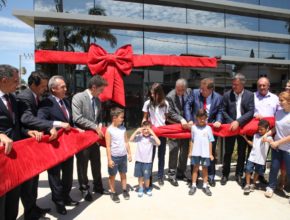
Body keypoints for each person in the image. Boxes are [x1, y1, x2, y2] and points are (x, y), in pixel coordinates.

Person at [0, 65, 41, 220]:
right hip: (1, 162)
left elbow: (15, 125)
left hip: (15, 157)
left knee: (13, 201)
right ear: (4, 80)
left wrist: (27, 132)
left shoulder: (12, 97)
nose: (18, 84)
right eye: (15, 81)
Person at [17, 70, 57, 220]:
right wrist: (50, 125)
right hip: (24, 146)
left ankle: (34, 207)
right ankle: (29, 213)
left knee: (34, 181)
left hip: (34, 144)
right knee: (27, 183)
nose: (45, 89)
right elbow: (26, 118)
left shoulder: (37, 96)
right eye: (43, 86)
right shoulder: (24, 97)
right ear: (33, 85)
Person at [37, 76, 79, 215]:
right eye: (62, 87)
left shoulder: (66, 102)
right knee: (55, 175)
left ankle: (66, 197)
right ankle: (58, 202)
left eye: (65, 86)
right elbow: (41, 120)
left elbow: (70, 122)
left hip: (68, 146)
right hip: (54, 146)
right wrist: (56, 125)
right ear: (53, 89)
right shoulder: (46, 103)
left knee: (68, 174)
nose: (66, 89)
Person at [72, 75, 108, 201]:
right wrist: (95, 126)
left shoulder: (98, 100)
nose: (102, 92)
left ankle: (98, 186)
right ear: (93, 87)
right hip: (82, 137)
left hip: (94, 138)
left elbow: (98, 117)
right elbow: (77, 118)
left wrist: (100, 125)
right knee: (83, 164)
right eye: (101, 90)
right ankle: (84, 188)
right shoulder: (78, 97)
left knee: (96, 162)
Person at [184, 78, 223, 187]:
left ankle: (210, 177)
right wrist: (189, 119)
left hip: (209, 129)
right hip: (196, 128)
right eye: (201, 88)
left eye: (204, 89)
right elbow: (187, 105)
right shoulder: (195, 93)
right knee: (195, 152)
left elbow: (220, 111)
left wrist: (219, 120)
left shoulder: (218, 97)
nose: (201, 91)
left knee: (210, 153)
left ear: (211, 89)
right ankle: (194, 178)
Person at [221, 73, 254, 186]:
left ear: (243, 84)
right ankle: (225, 174)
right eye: (233, 84)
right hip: (230, 128)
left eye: (236, 84)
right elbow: (223, 110)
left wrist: (238, 122)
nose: (234, 86)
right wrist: (232, 122)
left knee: (241, 152)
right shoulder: (227, 95)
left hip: (243, 128)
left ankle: (238, 174)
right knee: (228, 152)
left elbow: (251, 111)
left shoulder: (250, 95)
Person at [264, 92, 290, 203]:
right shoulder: (278, 113)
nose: (279, 102)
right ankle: (271, 187)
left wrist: (277, 142)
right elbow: (276, 128)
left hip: (287, 148)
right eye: (279, 100)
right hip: (277, 147)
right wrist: (267, 133)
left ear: (289, 101)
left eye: (282, 100)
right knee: (274, 168)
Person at [253, 77, 279, 184]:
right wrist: (255, 114)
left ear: (268, 86)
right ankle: (249, 175)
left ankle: (260, 175)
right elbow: (249, 110)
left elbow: (278, 113)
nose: (262, 87)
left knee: (264, 154)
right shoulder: (253, 96)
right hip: (255, 130)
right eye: (260, 85)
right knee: (253, 153)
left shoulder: (275, 98)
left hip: (269, 131)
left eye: (264, 85)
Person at [142, 83, 169, 186]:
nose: (152, 95)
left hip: (162, 132)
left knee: (161, 156)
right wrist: (144, 125)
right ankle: (149, 176)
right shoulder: (147, 103)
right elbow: (145, 117)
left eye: (154, 93)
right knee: (150, 155)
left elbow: (165, 118)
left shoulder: (165, 103)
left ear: (160, 93)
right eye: (151, 93)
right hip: (152, 132)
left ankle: (160, 176)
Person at [166, 78, 191, 186]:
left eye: (182, 90)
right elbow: (170, 112)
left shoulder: (189, 92)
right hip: (174, 126)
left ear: (185, 89)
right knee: (174, 149)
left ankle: (181, 172)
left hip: (187, 127)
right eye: (178, 89)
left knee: (184, 150)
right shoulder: (170, 96)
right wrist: (181, 119)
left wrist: (190, 120)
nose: (179, 92)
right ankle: (172, 174)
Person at [105, 107, 132, 203]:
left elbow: (126, 142)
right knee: (112, 175)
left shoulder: (123, 128)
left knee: (123, 174)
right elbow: (108, 146)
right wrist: (109, 160)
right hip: (114, 157)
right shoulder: (109, 130)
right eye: (121, 117)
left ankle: (124, 190)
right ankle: (113, 192)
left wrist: (129, 153)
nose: (123, 119)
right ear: (114, 118)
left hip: (123, 156)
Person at [130, 121, 161, 197]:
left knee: (147, 177)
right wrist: (136, 131)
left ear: (150, 129)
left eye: (148, 129)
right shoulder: (139, 137)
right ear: (141, 129)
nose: (146, 131)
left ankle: (147, 188)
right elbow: (130, 139)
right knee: (140, 176)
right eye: (144, 129)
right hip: (139, 160)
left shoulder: (151, 138)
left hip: (147, 161)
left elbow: (159, 143)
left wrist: (152, 133)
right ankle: (140, 187)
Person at [188, 109, 214, 196]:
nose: (202, 120)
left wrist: (210, 154)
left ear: (206, 118)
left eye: (204, 118)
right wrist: (190, 152)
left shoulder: (208, 128)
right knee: (195, 168)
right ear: (196, 118)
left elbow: (210, 141)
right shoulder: (193, 128)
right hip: (195, 152)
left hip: (205, 153)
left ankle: (205, 185)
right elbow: (192, 140)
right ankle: (193, 185)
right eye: (200, 118)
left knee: (205, 169)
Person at [242, 120, 272, 195]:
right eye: (258, 129)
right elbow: (253, 144)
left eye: (261, 129)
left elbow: (273, 144)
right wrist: (245, 138)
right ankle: (247, 184)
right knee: (248, 169)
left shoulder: (269, 137)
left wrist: (267, 140)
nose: (259, 131)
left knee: (257, 172)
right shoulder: (255, 135)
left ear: (267, 129)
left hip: (261, 159)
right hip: (252, 157)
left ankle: (253, 184)